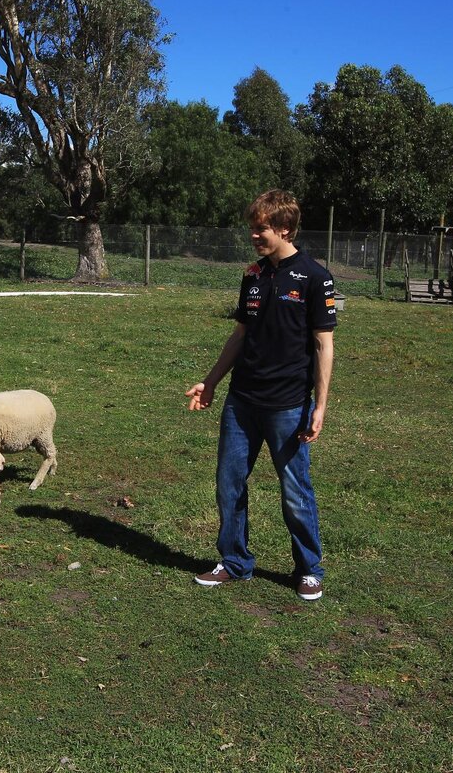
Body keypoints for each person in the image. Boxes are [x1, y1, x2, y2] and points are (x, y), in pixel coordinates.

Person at [185, 189, 336, 601]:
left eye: (261, 229)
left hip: (288, 405)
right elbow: (240, 335)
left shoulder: (315, 277)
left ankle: (309, 569)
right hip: (242, 401)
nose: (254, 236)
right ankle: (234, 562)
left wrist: (319, 406)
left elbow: (324, 345)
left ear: (285, 228)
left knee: (295, 490)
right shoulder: (253, 275)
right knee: (229, 483)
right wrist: (212, 381)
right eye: (252, 228)